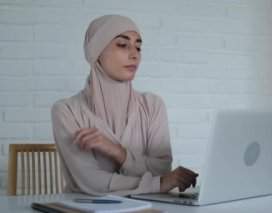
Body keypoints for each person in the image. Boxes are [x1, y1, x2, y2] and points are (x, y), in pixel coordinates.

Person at [51, 14, 198, 196]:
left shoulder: (153, 106)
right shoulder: (67, 111)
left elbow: (161, 170)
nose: (134, 54)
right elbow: (90, 181)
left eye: (138, 47)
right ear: (96, 51)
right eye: (122, 45)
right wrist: (157, 184)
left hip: (147, 208)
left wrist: (118, 153)